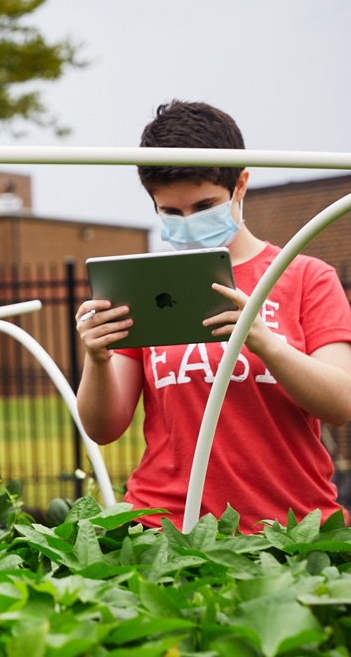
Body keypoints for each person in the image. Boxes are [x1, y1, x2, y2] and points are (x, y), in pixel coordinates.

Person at [76, 100, 351, 532]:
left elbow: (341, 403)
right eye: (169, 212)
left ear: (240, 185)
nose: (187, 223)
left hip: (288, 528)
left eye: (204, 206)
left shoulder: (305, 276)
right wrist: (96, 359)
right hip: (163, 528)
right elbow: (104, 428)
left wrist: (265, 343)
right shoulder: (143, 284)